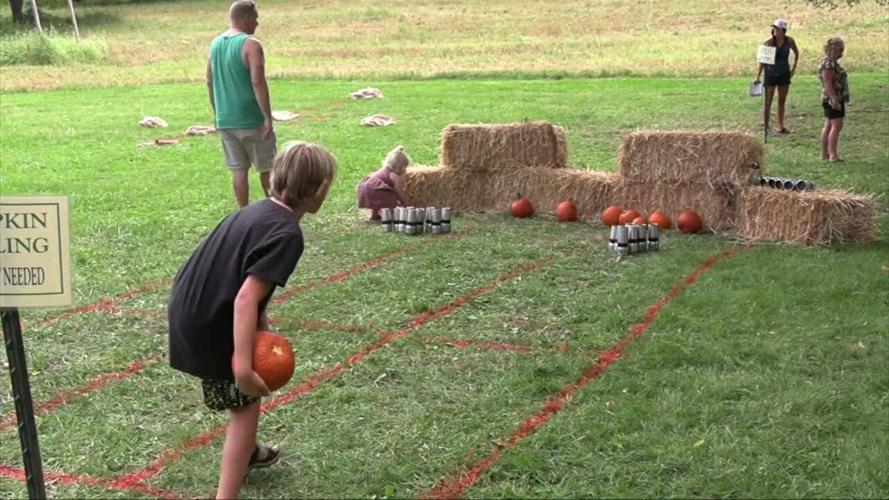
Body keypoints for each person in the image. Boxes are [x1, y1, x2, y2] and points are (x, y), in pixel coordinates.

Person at [168, 141, 336, 499]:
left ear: (274, 177)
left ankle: (253, 453)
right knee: (245, 408)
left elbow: (240, 279)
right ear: (321, 189)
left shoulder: (255, 211)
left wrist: (262, 325)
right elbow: (245, 298)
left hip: (189, 306)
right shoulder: (288, 233)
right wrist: (243, 367)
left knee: (239, 401)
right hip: (212, 320)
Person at [207, 0, 276, 208]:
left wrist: (217, 112)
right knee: (267, 168)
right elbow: (257, 81)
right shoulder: (251, 45)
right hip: (251, 118)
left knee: (238, 169)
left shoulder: (215, 43)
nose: (257, 23)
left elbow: (209, 81)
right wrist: (267, 117)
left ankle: (243, 213)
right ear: (245, 17)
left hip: (226, 119)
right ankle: (276, 211)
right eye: (255, 17)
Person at [756, 19, 799, 135]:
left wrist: (793, 68)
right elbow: (762, 61)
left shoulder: (789, 41)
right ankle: (766, 126)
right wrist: (758, 76)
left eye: (777, 29)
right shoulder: (768, 43)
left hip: (784, 74)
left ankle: (781, 126)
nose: (775, 30)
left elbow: (796, 53)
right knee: (768, 101)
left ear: (783, 30)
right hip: (770, 74)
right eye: (774, 28)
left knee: (782, 101)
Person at [356, 145, 411, 220]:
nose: (405, 171)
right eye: (404, 168)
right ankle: (391, 216)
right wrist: (405, 202)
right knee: (391, 199)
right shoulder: (394, 176)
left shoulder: (384, 170)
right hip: (375, 190)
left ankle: (374, 216)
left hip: (366, 188)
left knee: (379, 200)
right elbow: (399, 192)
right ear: (399, 168)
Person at [820, 37, 849, 163]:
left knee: (829, 125)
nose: (842, 52)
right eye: (840, 49)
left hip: (830, 98)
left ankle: (825, 153)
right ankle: (833, 155)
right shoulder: (829, 65)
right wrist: (834, 99)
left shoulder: (829, 63)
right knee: (836, 126)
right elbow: (827, 82)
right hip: (832, 98)